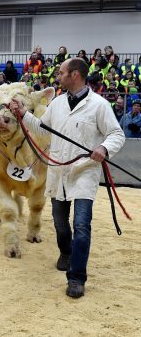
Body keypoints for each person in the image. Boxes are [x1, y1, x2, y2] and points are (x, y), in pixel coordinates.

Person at [10, 58, 125, 299]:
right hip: (58, 170)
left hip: (85, 171)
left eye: (61, 73)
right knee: (61, 226)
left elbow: (116, 134)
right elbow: (44, 128)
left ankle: (76, 277)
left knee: (81, 226)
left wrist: (103, 148)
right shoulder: (58, 103)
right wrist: (23, 114)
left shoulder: (99, 105)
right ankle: (65, 252)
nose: (57, 76)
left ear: (74, 75)